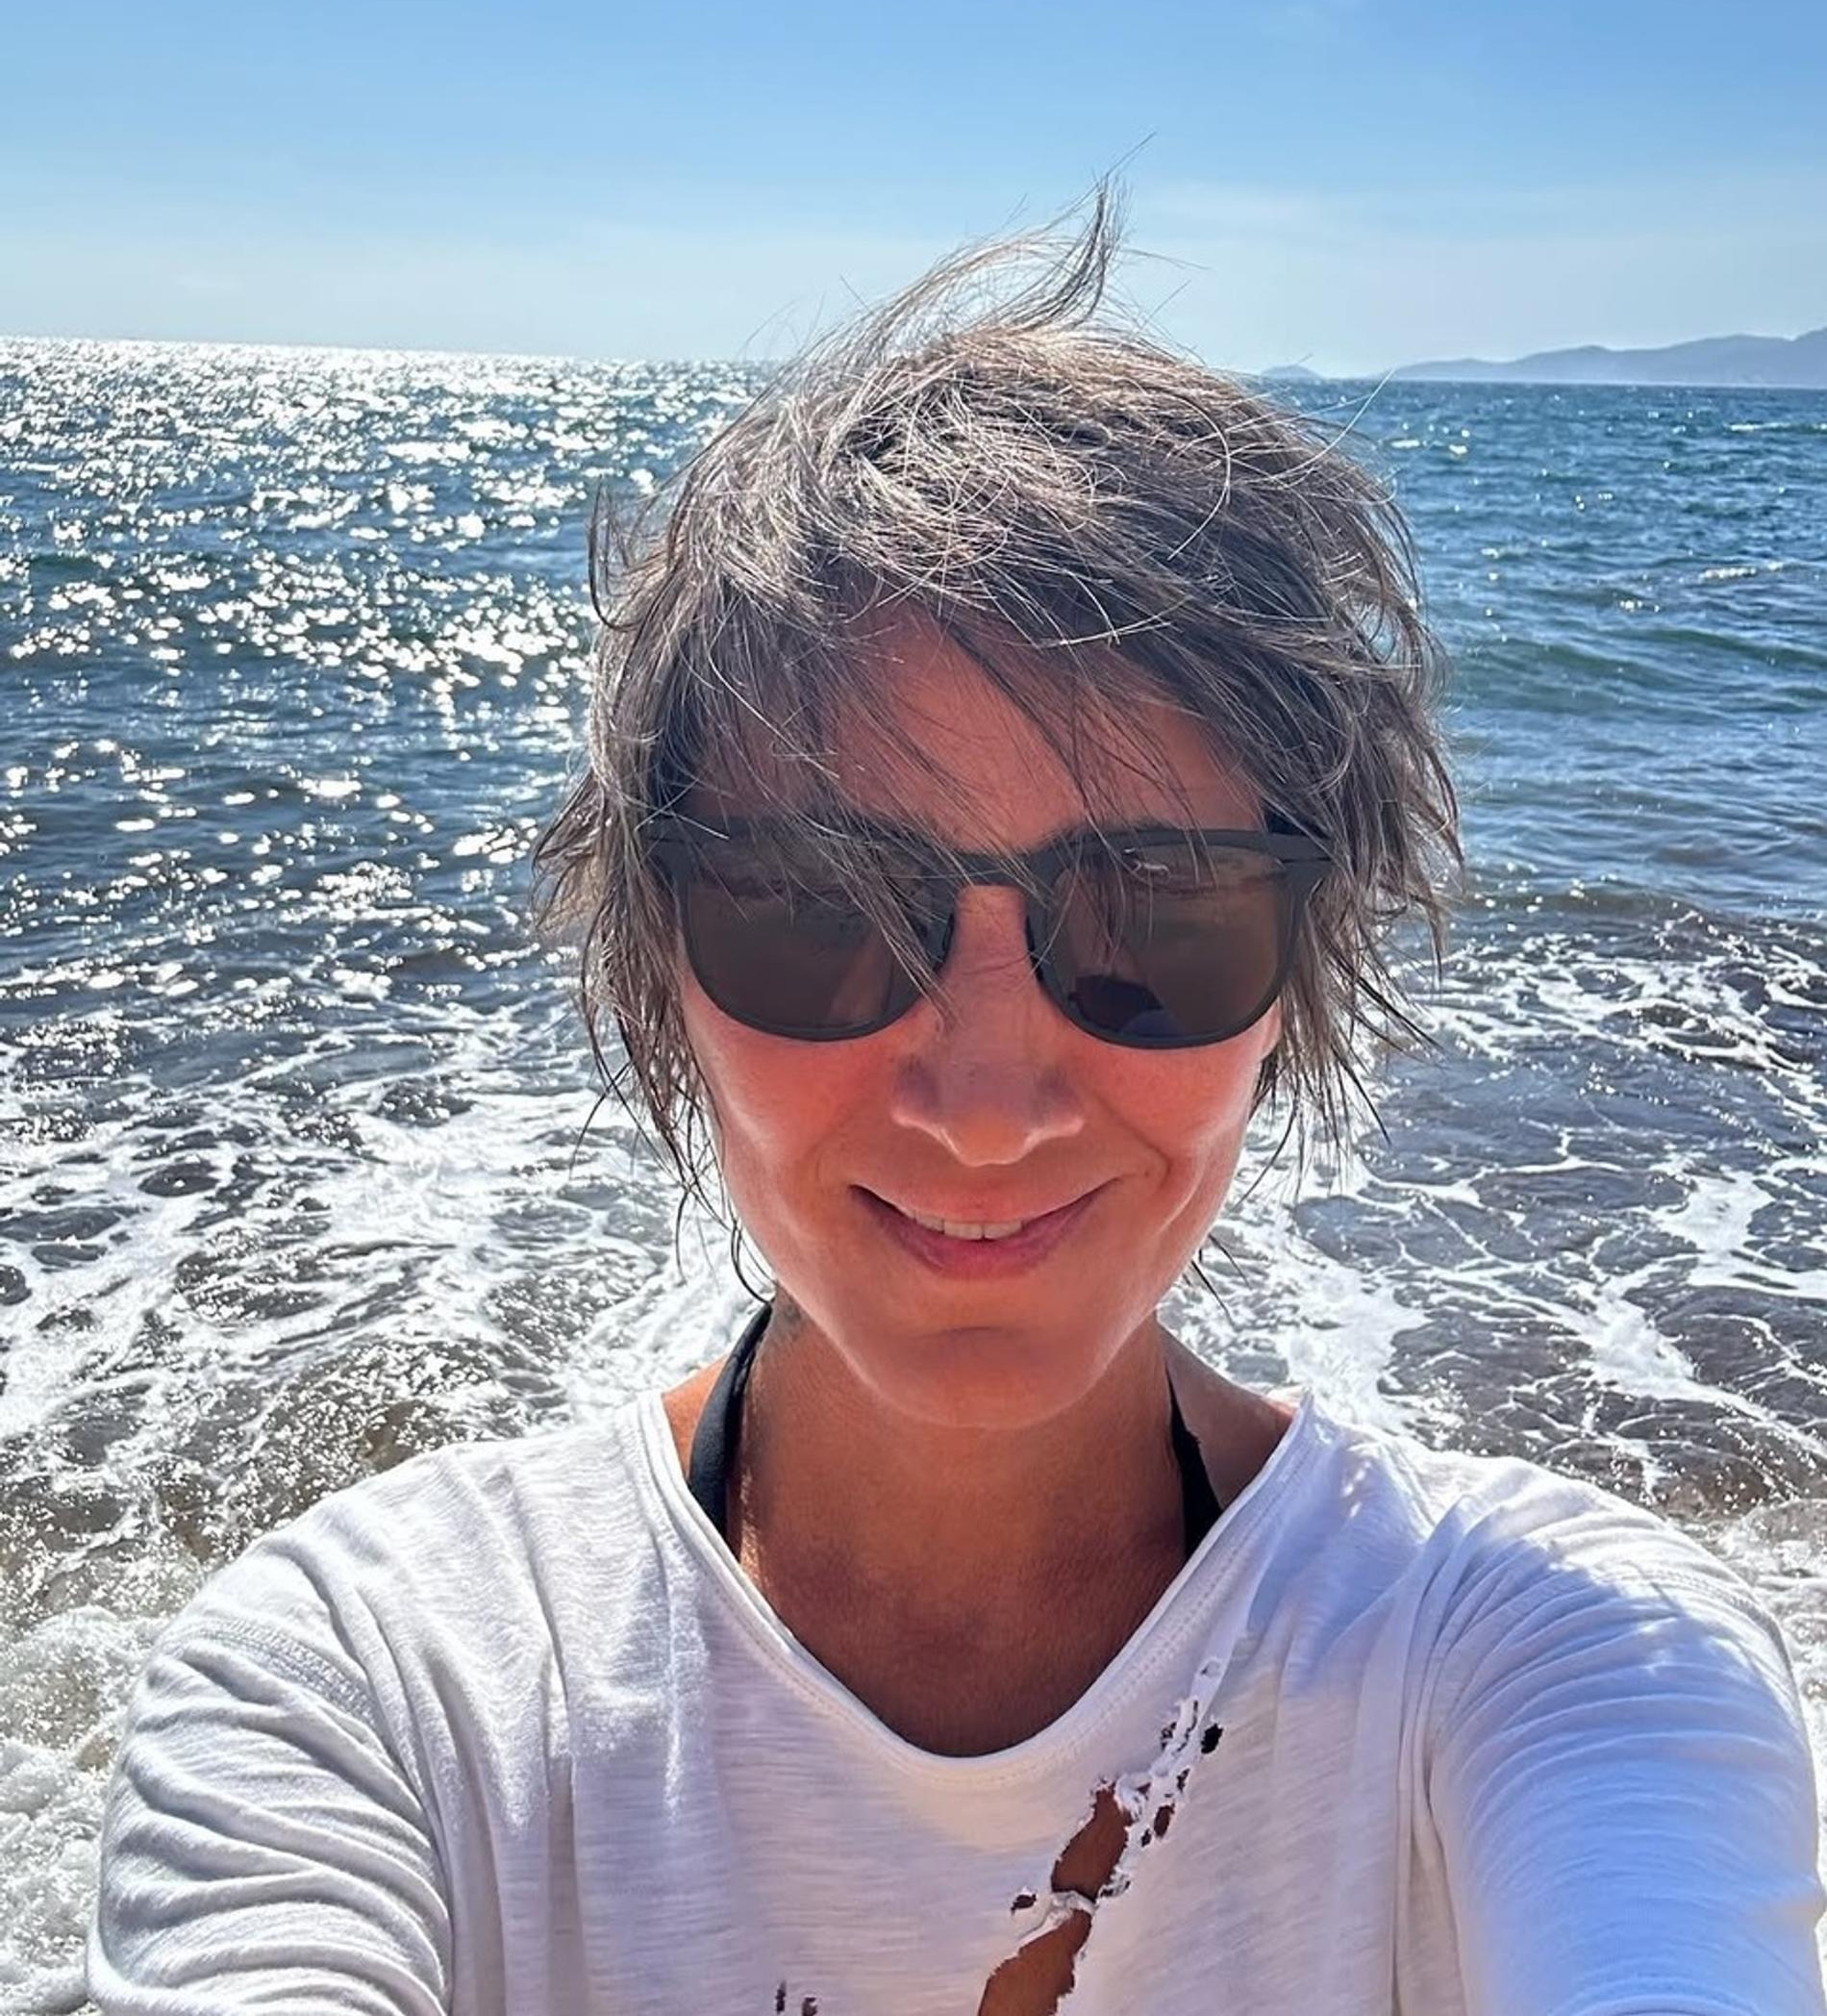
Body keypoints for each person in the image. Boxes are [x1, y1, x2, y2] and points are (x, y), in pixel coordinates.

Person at [89, 202, 1825, 2015]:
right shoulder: (371, 1683)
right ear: (662, 961)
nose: (987, 1109)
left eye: (1158, 915)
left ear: (1295, 973)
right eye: (818, 909)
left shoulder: (1553, 1651)